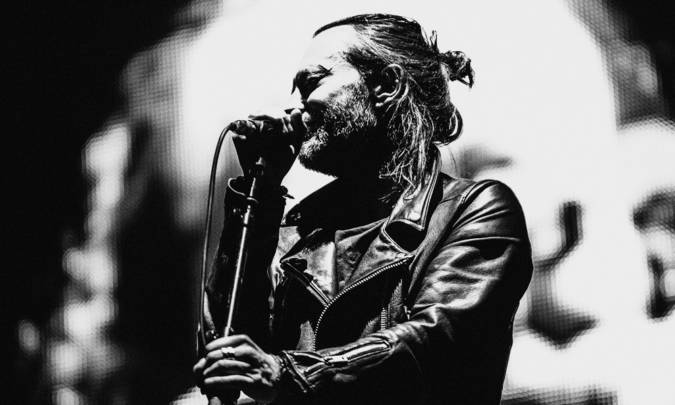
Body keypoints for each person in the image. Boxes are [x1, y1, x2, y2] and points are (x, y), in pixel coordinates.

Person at [193, 13, 533, 405]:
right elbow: (230, 349)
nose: (296, 107)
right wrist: (259, 195)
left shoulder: (475, 209)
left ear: (386, 85)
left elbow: (433, 342)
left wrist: (287, 373)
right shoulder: (297, 231)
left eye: (312, 82)